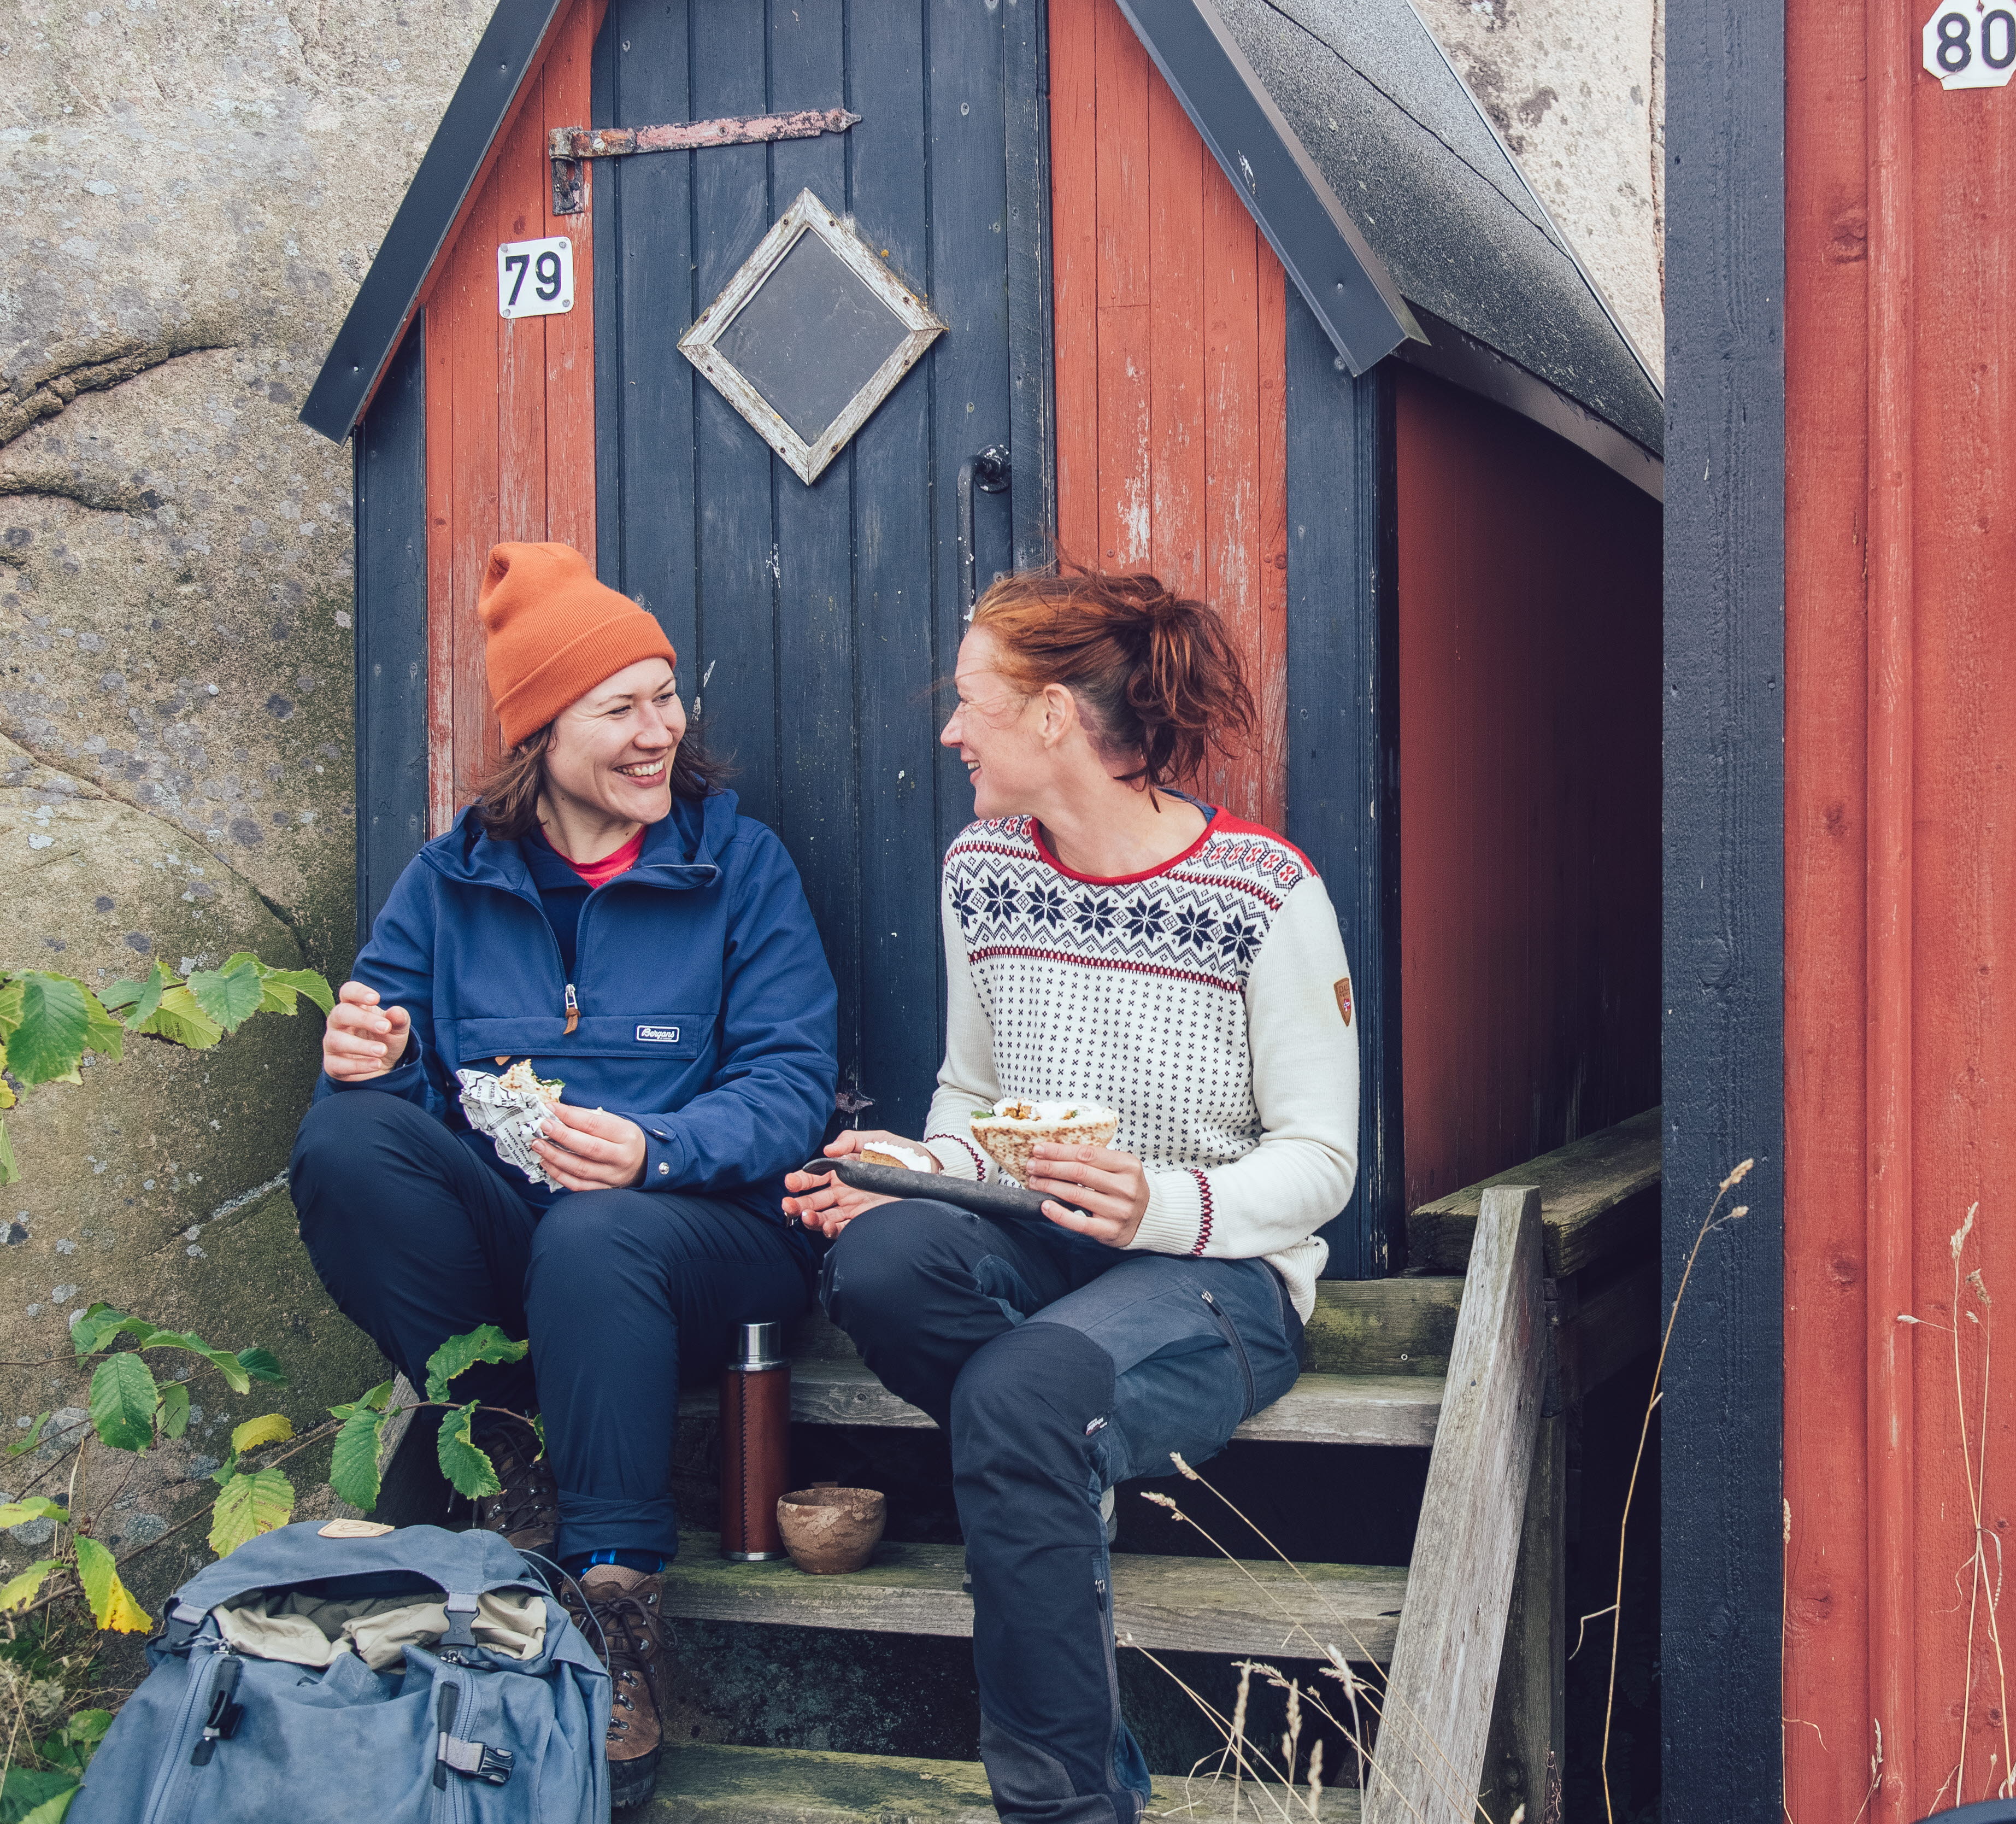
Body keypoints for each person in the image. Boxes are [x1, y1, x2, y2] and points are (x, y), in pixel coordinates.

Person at [782, 564, 1359, 1824]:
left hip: (1221, 1282)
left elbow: (1322, 1164)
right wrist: (897, 1175)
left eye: (971, 699)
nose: (949, 729)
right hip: (1041, 1248)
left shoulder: (1263, 894)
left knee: (1021, 1390)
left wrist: (1152, 1201)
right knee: (882, 1267)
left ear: (1052, 718)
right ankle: (1043, 1448)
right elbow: (974, 1103)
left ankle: (1063, 1808)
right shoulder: (983, 869)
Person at [291, 541, 837, 1809]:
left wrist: (660, 1149)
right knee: (342, 1141)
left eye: (666, 697)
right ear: (541, 732)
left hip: (710, 1238)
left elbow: (790, 1082)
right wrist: (366, 1062)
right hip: (518, 1254)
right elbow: (395, 1121)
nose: (662, 731)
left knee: (601, 1235)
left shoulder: (735, 867)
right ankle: (499, 1425)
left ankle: (613, 1611)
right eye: (621, 708)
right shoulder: (450, 880)